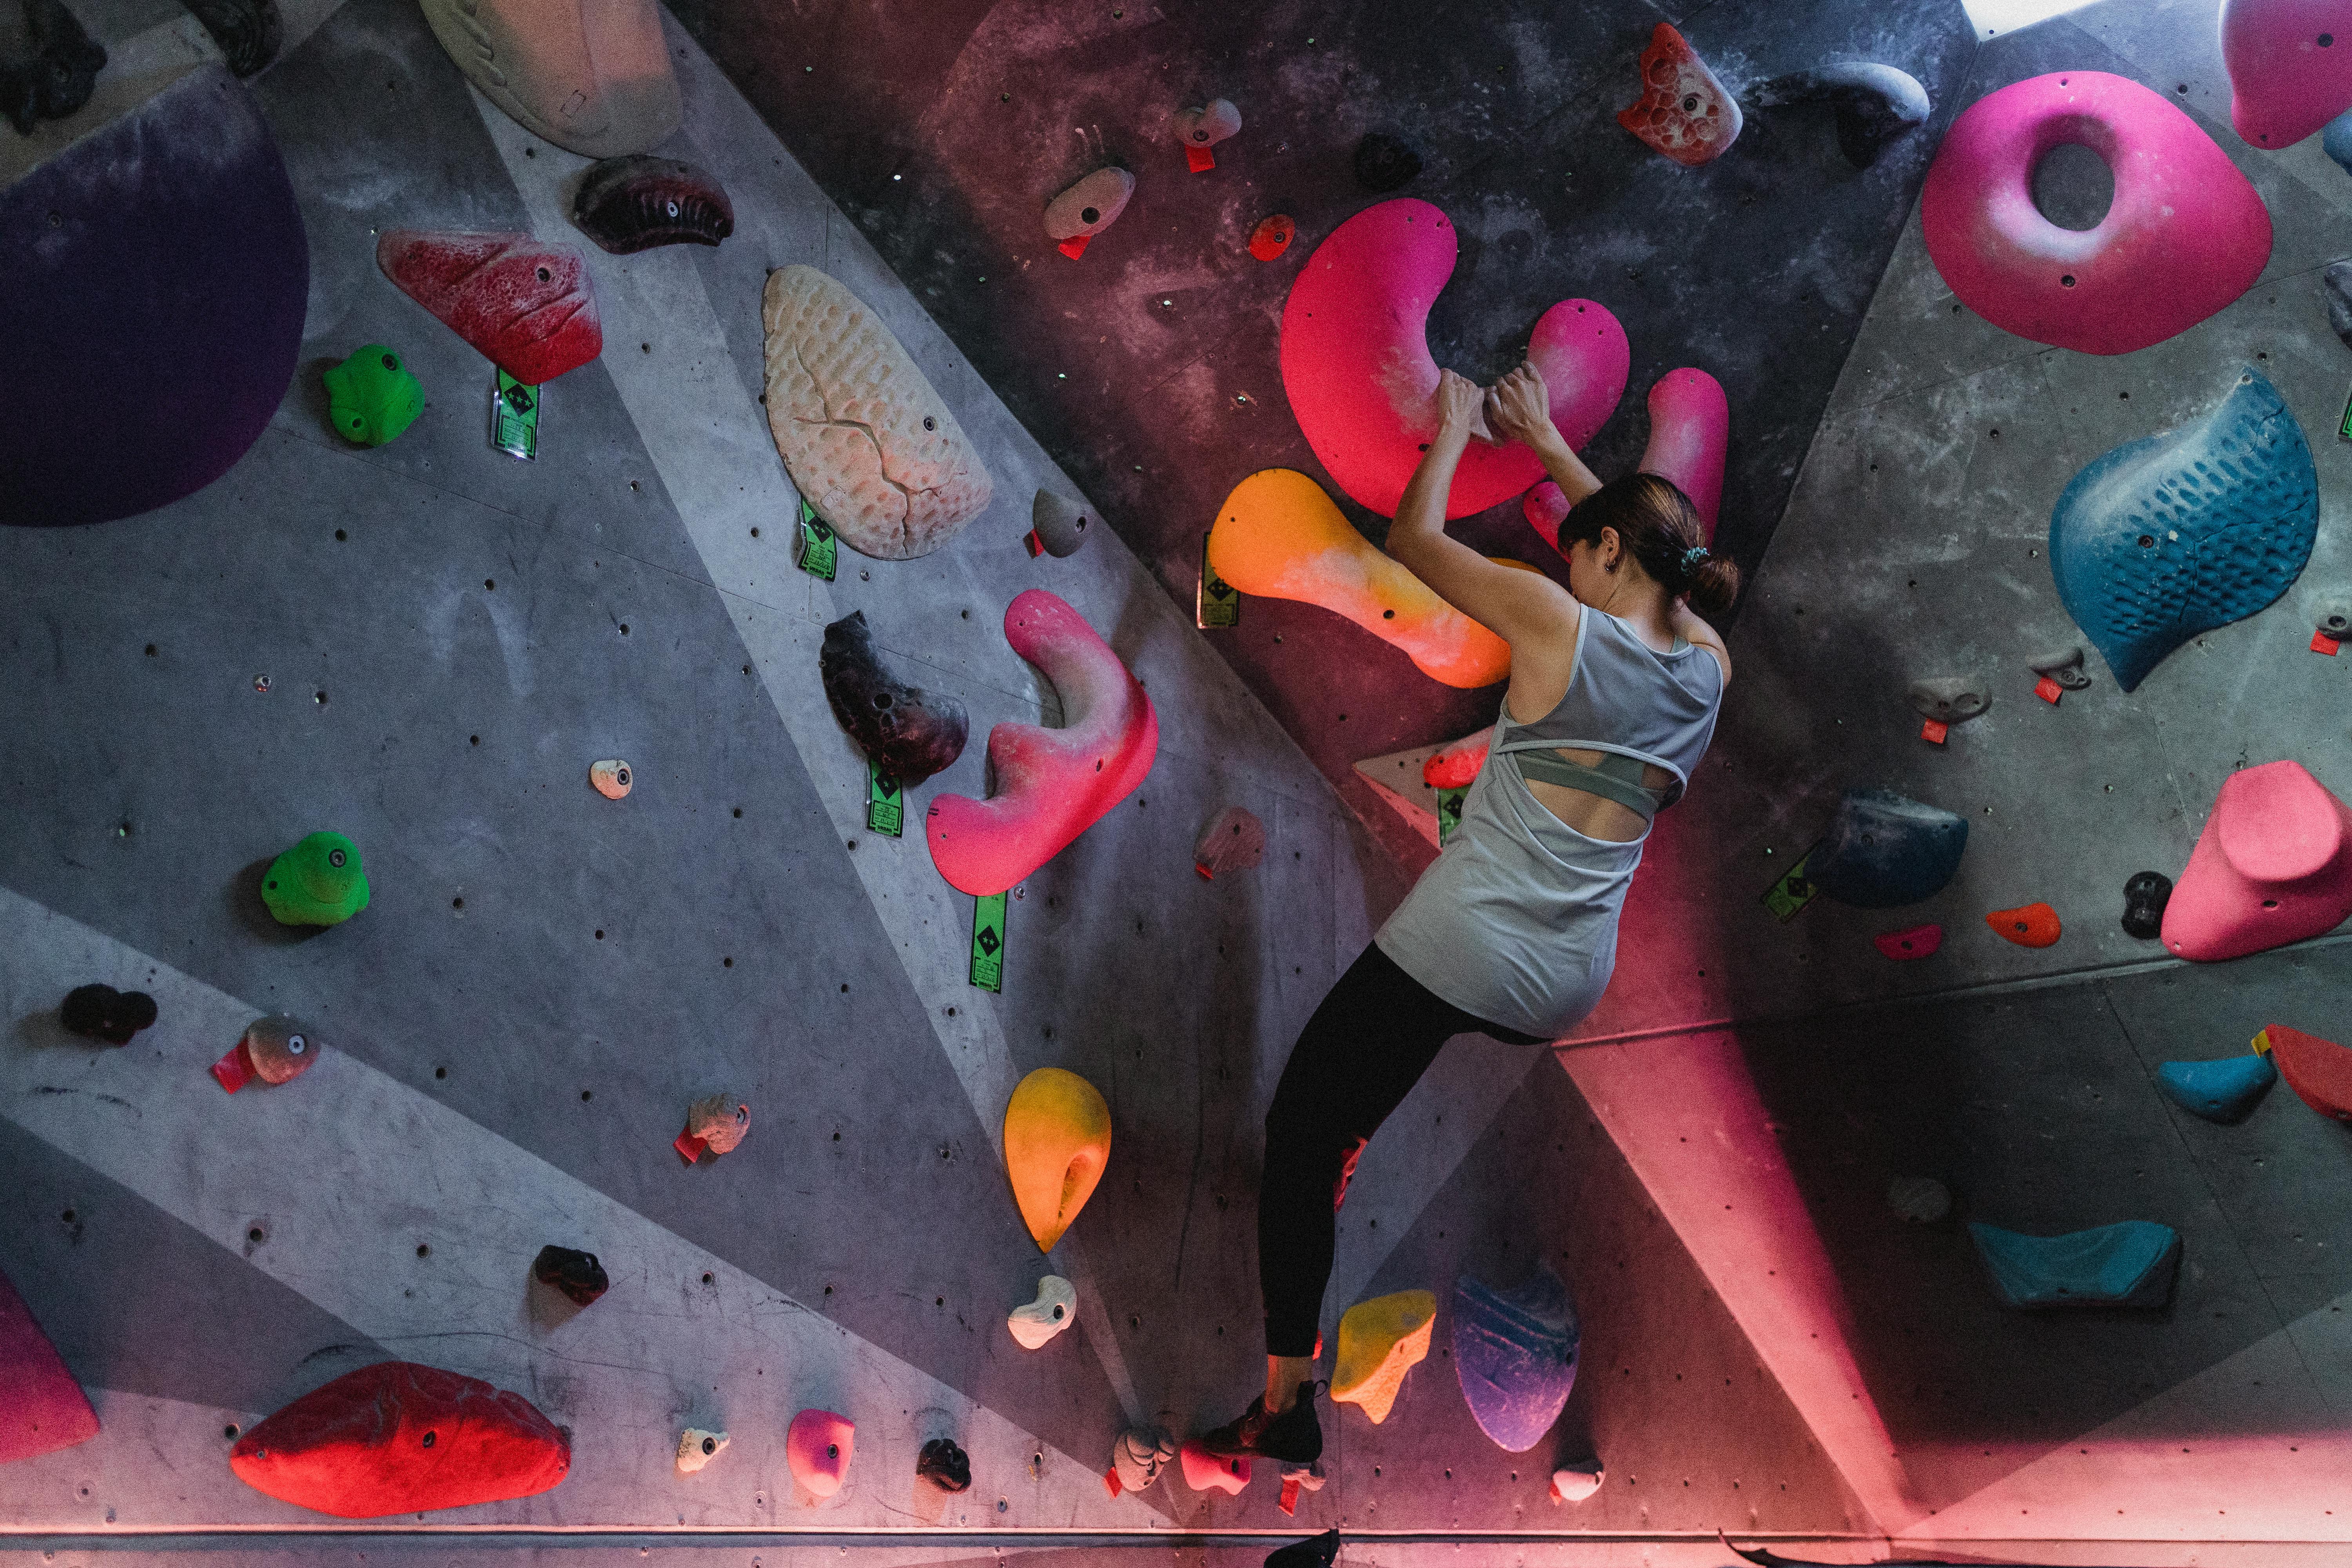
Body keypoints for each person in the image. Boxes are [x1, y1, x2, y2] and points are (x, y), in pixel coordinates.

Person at [1199, 362, 1739, 1464]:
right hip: (1564, 984)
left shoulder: (1556, 626)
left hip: (1463, 947)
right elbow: (1637, 565)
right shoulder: (1710, 670)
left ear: (1604, 558)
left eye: (1583, 548)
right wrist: (1545, 439)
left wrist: (1452, 433)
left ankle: (1288, 1398)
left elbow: (1417, 542)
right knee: (1377, 1071)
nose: (1568, 560)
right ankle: (1348, 1152)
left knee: (1304, 1130)